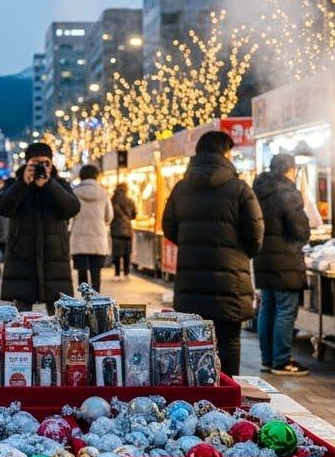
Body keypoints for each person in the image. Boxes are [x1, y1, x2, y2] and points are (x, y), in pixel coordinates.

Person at [161, 130, 264, 376]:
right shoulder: (240, 189)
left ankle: (197, 402)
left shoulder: (180, 189)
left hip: (191, 284)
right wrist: (238, 253)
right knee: (229, 343)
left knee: (195, 345)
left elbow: (169, 228)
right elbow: (255, 235)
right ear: (225, 153)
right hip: (230, 283)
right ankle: (229, 399)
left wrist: (191, 245)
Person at [0, 142, 82, 313]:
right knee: (21, 320)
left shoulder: (59, 184)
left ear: (51, 164)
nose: (42, 167)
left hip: (54, 259)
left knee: (58, 316)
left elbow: (73, 208)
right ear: (27, 163)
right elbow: (2, 208)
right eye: (36, 162)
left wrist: (49, 185)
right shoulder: (15, 183)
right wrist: (22, 184)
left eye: (46, 162)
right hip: (21, 259)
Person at [253, 153, 313, 376]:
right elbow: (299, 229)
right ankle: (281, 361)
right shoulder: (287, 192)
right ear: (290, 170)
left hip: (263, 259)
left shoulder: (258, 191)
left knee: (267, 308)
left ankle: (268, 359)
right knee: (286, 311)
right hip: (285, 260)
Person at [68, 164, 114, 292]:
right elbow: (109, 216)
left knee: (82, 272)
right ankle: (96, 300)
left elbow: (69, 215)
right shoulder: (104, 193)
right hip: (98, 239)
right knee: (96, 272)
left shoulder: (74, 193)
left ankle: (84, 301)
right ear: (96, 176)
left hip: (79, 238)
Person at [111, 181, 137, 279]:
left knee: (117, 253)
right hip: (127, 230)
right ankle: (126, 273)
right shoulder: (130, 201)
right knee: (127, 252)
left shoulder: (113, 200)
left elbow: (110, 215)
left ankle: (117, 274)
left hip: (115, 230)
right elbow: (134, 215)